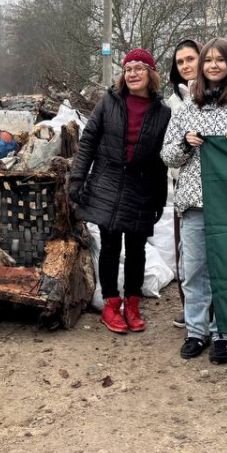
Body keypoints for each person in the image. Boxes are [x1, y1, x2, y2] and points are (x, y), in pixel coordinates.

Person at [161, 38, 227, 364]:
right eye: (208, 60)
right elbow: (168, 156)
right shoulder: (187, 110)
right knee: (193, 272)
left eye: (220, 60)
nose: (214, 65)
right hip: (194, 205)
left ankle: (226, 334)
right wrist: (185, 143)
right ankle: (197, 331)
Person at [69, 49, 171, 333]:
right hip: (108, 183)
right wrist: (77, 178)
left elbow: (161, 160)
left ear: (151, 74)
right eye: (128, 69)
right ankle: (111, 304)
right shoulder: (109, 103)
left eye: (139, 68)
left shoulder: (162, 113)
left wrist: (160, 197)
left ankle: (133, 304)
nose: (133, 73)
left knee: (137, 249)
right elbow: (88, 141)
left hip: (142, 187)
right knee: (110, 246)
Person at [165, 39, 202, 328]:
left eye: (191, 59)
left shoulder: (223, 97)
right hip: (184, 186)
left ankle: (215, 316)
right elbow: (169, 150)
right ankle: (191, 309)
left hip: (215, 186)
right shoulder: (175, 101)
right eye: (180, 62)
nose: (186, 65)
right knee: (186, 253)